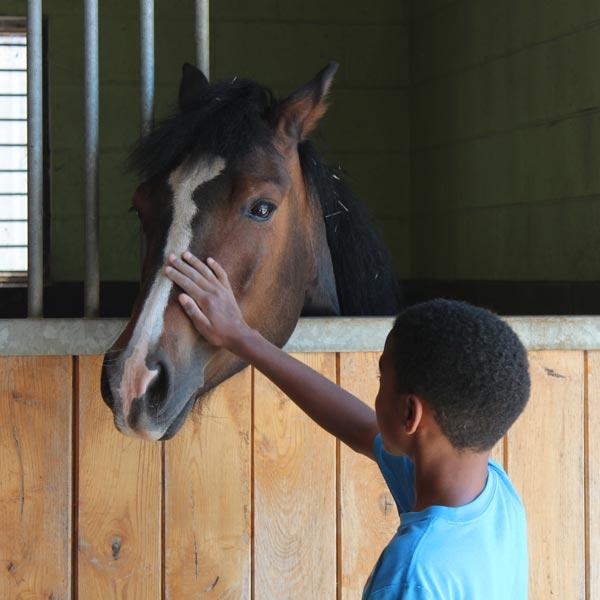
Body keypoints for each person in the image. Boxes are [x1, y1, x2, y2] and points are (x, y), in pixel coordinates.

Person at [164, 251, 530, 599]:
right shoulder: (492, 494)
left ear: (409, 416)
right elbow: (358, 428)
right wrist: (241, 337)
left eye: (381, 379)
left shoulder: (411, 574)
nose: (376, 395)